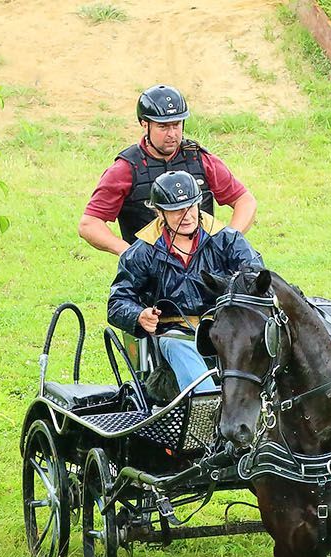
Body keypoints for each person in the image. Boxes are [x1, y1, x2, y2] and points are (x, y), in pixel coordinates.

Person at [108, 170, 263, 393]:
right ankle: (207, 403)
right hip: (175, 333)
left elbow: (256, 278)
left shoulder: (228, 240)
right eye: (177, 210)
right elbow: (118, 302)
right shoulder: (142, 252)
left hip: (226, 326)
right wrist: (139, 315)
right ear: (159, 213)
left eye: (191, 207)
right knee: (176, 343)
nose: (187, 216)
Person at [79, 85, 257, 257]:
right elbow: (89, 224)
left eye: (176, 124)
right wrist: (128, 252)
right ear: (144, 124)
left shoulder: (200, 160)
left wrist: (229, 240)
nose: (172, 134)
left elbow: (245, 201)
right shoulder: (125, 169)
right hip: (151, 269)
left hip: (203, 264)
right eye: (163, 127)